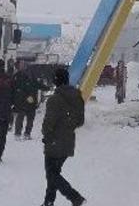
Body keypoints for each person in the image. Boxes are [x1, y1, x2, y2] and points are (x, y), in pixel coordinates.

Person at [41, 68, 86, 206]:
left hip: (54, 141)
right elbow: (80, 121)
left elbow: (49, 123)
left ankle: (74, 197)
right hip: (68, 141)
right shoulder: (77, 97)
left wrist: (46, 134)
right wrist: (67, 125)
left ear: (56, 81)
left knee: (52, 174)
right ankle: (49, 201)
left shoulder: (54, 100)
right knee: (54, 173)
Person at [12, 60, 49, 140]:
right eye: (21, 64)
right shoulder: (17, 76)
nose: (23, 65)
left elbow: (36, 84)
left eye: (24, 64)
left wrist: (47, 88)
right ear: (18, 66)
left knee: (30, 118)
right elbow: (16, 88)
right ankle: (18, 134)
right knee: (21, 117)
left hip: (31, 101)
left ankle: (27, 134)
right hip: (22, 101)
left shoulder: (30, 74)